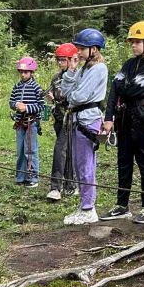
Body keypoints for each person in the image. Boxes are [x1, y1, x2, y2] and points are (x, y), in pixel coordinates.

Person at [100, 21, 144, 225]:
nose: (134, 45)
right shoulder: (129, 63)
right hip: (124, 119)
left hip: (142, 120)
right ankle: (122, 205)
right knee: (124, 162)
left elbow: (137, 89)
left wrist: (123, 87)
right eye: (132, 42)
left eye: (137, 41)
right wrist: (109, 117)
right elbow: (114, 89)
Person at [60, 28, 109, 226]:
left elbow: (79, 96)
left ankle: (88, 208)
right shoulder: (85, 68)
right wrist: (71, 70)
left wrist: (71, 98)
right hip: (79, 118)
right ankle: (84, 206)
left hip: (88, 120)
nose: (78, 52)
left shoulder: (98, 69)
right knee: (79, 165)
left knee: (86, 165)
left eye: (81, 49)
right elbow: (66, 91)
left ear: (93, 49)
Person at [46, 43, 78, 202]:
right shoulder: (56, 77)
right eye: (58, 60)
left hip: (71, 118)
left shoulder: (78, 76)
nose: (60, 63)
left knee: (60, 149)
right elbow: (50, 91)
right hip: (59, 118)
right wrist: (50, 97)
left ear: (72, 59)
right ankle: (70, 184)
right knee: (67, 150)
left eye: (63, 60)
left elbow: (74, 97)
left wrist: (59, 99)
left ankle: (55, 187)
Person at [9, 56, 45, 187]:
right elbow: (11, 102)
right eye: (21, 72)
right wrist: (16, 105)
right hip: (20, 123)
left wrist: (27, 108)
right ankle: (20, 177)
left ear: (31, 72)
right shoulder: (17, 86)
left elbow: (41, 106)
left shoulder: (36, 87)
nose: (23, 75)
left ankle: (33, 178)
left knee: (30, 151)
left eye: (26, 72)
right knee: (20, 150)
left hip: (31, 123)